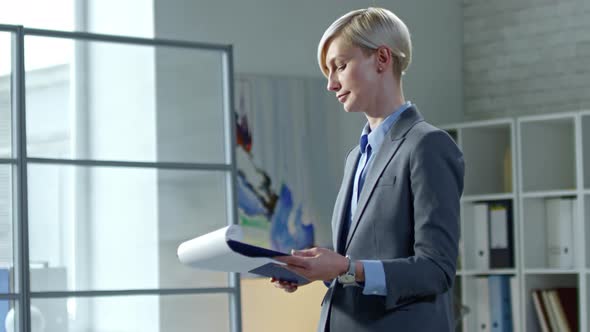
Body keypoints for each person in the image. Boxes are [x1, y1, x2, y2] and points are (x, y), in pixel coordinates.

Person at [272, 7, 465, 332]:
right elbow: (363, 255)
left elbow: (437, 270)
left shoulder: (428, 145)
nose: (331, 84)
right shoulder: (356, 157)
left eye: (340, 67)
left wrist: (346, 268)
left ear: (382, 59)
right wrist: (317, 268)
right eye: (327, 74)